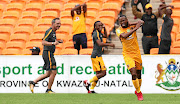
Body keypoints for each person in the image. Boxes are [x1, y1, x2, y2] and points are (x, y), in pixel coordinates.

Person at [28, 18, 62, 93]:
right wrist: (53, 43)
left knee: (48, 73)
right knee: (54, 71)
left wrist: (57, 42)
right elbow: (43, 42)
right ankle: (48, 89)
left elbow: (49, 41)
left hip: (49, 53)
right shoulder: (49, 31)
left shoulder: (53, 32)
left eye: (59, 24)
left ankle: (33, 82)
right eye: (57, 24)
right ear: (52, 24)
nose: (59, 25)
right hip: (48, 53)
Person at [116, 15, 144, 101]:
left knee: (139, 74)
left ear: (127, 20)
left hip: (136, 53)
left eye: (124, 20)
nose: (122, 23)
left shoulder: (131, 25)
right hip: (127, 54)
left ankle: (137, 89)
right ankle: (139, 92)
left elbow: (142, 22)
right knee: (133, 73)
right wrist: (135, 28)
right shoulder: (118, 30)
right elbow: (124, 36)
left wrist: (131, 24)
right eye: (120, 21)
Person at [84, 21, 115, 93]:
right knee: (103, 73)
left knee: (98, 74)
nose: (100, 27)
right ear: (95, 27)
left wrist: (104, 28)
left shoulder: (99, 33)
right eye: (99, 26)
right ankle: (88, 82)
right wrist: (109, 44)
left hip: (98, 55)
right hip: (96, 56)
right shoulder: (95, 33)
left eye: (101, 25)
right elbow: (100, 44)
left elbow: (106, 36)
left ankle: (91, 89)